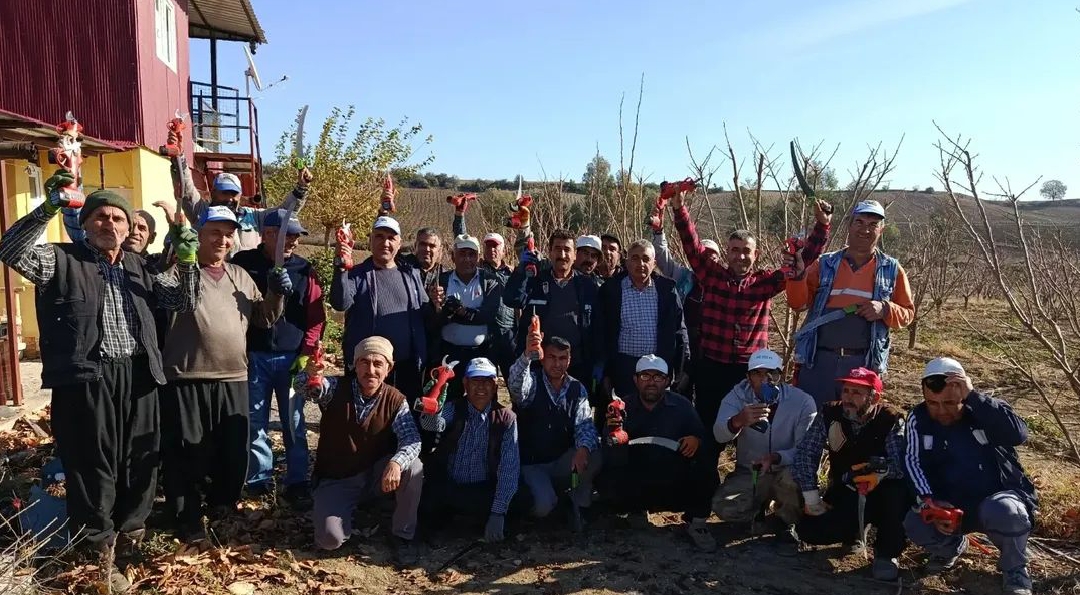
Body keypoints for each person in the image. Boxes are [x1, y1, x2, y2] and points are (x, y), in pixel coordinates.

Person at [0, 173, 200, 593]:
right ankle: (100, 556)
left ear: (130, 228)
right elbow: (11, 250)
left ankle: (130, 539)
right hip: (86, 380)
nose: (110, 224)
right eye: (101, 217)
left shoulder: (139, 267)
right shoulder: (61, 260)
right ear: (86, 223)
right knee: (93, 465)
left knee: (141, 460)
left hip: (140, 376)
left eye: (119, 219)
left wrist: (187, 259)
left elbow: (183, 301)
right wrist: (49, 207)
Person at [159, 206, 289, 542]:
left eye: (229, 233)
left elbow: (263, 319)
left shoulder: (239, 275)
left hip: (233, 377)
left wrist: (276, 292)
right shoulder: (178, 272)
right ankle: (187, 518)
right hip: (187, 377)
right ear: (199, 235)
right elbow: (174, 302)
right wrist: (182, 256)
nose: (223, 240)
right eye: (215, 232)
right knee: (188, 452)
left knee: (231, 451)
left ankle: (223, 510)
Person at [669, 190, 831, 447]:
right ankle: (707, 481)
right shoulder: (711, 275)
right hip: (711, 368)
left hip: (749, 373)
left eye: (746, 251)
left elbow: (803, 261)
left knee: (750, 432)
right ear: (727, 252)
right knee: (710, 428)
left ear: (755, 255)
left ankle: (746, 475)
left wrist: (821, 226)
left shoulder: (765, 283)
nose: (740, 256)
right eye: (735, 250)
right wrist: (679, 209)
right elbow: (691, 244)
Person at [904, 358, 1035, 595]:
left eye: (950, 403)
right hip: (951, 506)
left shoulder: (985, 409)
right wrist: (929, 500)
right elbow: (913, 462)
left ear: (963, 393)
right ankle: (950, 548)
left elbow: (1018, 435)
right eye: (933, 403)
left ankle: (1015, 569)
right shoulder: (918, 418)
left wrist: (975, 397)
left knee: (1007, 511)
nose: (941, 411)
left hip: (996, 498)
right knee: (914, 521)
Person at [296, 337, 424, 565]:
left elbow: (411, 439)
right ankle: (343, 511)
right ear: (355, 365)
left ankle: (403, 534)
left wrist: (395, 463)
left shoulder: (396, 400)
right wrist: (310, 374)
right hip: (337, 478)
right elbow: (307, 390)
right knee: (329, 540)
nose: (371, 370)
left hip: (375, 476)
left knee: (413, 467)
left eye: (378, 363)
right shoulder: (335, 388)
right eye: (364, 362)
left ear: (389, 368)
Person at [232, 209, 326, 506]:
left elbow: (315, 316)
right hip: (254, 355)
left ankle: (297, 480)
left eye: (297, 237)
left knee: (293, 421)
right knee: (255, 419)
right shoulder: (243, 264)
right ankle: (259, 479)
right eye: (289, 235)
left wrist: (308, 352)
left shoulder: (303, 269)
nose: (294, 242)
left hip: (290, 357)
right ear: (269, 234)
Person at [787, 200, 915, 406]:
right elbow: (797, 303)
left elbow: (908, 313)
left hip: (862, 365)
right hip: (818, 361)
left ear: (881, 230)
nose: (865, 229)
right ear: (849, 225)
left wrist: (885, 309)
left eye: (873, 224)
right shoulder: (825, 263)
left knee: (853, 426)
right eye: (860, 222)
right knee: (811, 420)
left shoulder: (891, 269)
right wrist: (797, 275)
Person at [794, 367, 909, 582]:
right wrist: (812, 498)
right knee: (810, 531)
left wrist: (879, 471)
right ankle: (854, 533)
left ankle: (887, 554)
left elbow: (902, 464)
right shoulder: (829, 413)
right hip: (846, 488)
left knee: (897, 494)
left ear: (874, 397)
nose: (848, 397)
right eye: (846, 390)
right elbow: (805, 453)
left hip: (882, 490)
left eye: (857, 393)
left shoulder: (891, 420)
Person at [596, 355, 716, 552]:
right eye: (645, 376)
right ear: (635, 380)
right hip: (637, 479)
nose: (651, 382)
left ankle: (696, 522)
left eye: (658, 377)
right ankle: (635, 511)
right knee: (606, 478)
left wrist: (696, 440)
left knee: (706, 469)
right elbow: (608, 454)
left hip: (673, 479)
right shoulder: (619, 409)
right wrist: (612, 435)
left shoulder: (682, 406)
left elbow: (705, 440)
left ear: (668, 381)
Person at [712, 349, 816, 544]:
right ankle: (757, 513)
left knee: (795, 478)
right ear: (748, 377)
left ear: (781, 376)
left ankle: (786, 522)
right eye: (757, 374)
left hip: (785, 471)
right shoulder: (736, 397)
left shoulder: (803, 402)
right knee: (722, 506)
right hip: (752, 471)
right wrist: (737, 421)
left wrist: (776, 457)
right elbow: (718, 435)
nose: (764, 380)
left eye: (771, 374)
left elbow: (805, 451)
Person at [330, 216, 432, 402]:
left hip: (405, 368)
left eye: (391, 238)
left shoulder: (411, 275)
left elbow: (425, 313)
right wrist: (341, 267)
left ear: (399, 244)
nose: (385, 242)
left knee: (403, 423)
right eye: (379, 236)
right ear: (370, 240)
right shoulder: (357, 275)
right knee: (367, 424)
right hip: (369, 370)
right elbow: (340, 303)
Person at [419, 357, 521, 542]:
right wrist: (432, 408)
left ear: (495, 385)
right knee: (428, 506)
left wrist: (498, 513)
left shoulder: (506, 419)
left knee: (520, 501)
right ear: (465, 383)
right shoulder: (454, 408)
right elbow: (431, 425)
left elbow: (508, 469)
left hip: (482, 490)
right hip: (449, 486)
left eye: (487, 381)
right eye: (475, 381)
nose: (481, 387)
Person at [508, 334, 600, 528]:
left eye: (562, 358)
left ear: (569, 360)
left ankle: (578, 505)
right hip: (532, 464)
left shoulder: (577, 388)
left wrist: (583, 448)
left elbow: (585, 425)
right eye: (552, 357)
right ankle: (529, 510)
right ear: (542, 358)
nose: (557, 364)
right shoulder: (532, 382)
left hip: (560, 460)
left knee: (594, 452)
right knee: (542, 506)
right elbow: (516, 388)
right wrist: (526, 355)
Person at [505, 229, 601, 390]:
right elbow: (512, 299)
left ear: (574, 255)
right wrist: (521, 270)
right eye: (557, 249)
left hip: (576, 365)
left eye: (567, 250)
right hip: (538, 364)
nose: (562, 255)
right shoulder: (535, 279)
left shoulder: (588, 286)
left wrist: (599, 361)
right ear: (549, 252)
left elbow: (598, 327)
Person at [596, 239, 689, 397]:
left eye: (646, 259)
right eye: (635, 258)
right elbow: (600, 333)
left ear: (654, 262)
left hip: (658, 368)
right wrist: (604, 373)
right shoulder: (611, 290)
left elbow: (680, 331)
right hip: (623, 369)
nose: (641, 263)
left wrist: (683, 368)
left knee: (657, 417)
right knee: (623, 415)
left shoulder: (668, 291)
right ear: (626, 262)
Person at [428, 234, 507, 399]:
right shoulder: (440, 281)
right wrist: (438, 309)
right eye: (462, 254)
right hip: (449, 354)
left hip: (482, 353)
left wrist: (460, 311)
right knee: (447, 399)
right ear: (453, 256)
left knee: (482, 400)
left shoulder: (490, 280)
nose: (467, 259)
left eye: (471, 254)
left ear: (478, 258)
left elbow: (488, 315)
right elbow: (432, 321)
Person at [181, 167, 312, 255]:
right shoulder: (201, 211)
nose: (230, 198)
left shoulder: (253, 216)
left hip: (245, 284)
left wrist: (301, 188)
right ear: (213, 192)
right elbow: (187, 192)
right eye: (225, 193)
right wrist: (179, 158)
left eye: (234, 194)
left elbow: (284, 214)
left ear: (240, 194)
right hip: (210, 280)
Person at [652, 230, 719, 396]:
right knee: (681, 391)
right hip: (685, 345)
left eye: (714, 255)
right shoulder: (683, 277)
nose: (709, 258)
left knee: (708, 395)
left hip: (711, 351)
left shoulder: (723, 284)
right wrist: (659, 232)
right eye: (705, 253)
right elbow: (662, 256)